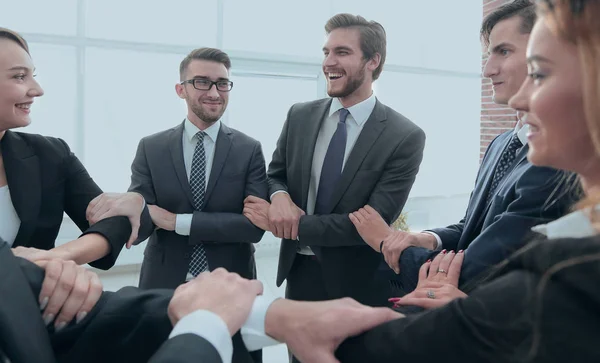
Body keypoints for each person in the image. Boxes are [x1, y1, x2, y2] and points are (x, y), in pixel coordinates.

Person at [349, 0, 575, 294]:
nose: (488, 70)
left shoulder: (557, 162)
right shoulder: (500, 144)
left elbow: (476, 271)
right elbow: (472, 228)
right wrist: (427, 239)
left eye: (503, 51)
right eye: (488, 55)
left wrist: (382, 240)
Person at [243, 13, 426, 310]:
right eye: (326, 52)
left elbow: (368, 225)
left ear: (372, 61)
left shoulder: (404, 136)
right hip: (299, 274)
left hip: (360, 284)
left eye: (342, 52)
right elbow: (275, 174)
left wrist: (292, 225)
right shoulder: (299, 116)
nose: (328, 62)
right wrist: (279, 197)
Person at [0, 27, 153, 327]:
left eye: (33, 74)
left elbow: (120, 223)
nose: (37, 89)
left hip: (26, 327)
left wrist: (55, 257)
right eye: (20, 77)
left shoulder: (51, 154)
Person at [127, 47, 267, 362]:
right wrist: (132, 212)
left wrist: (177, 222)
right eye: (202, 82)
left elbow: (253, 228)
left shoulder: (249, 150)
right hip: (164, 284)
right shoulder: (151, 148)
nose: (214, 92)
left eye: (222, 83)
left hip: (232, 285)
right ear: (181, 89)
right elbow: (144, 217)